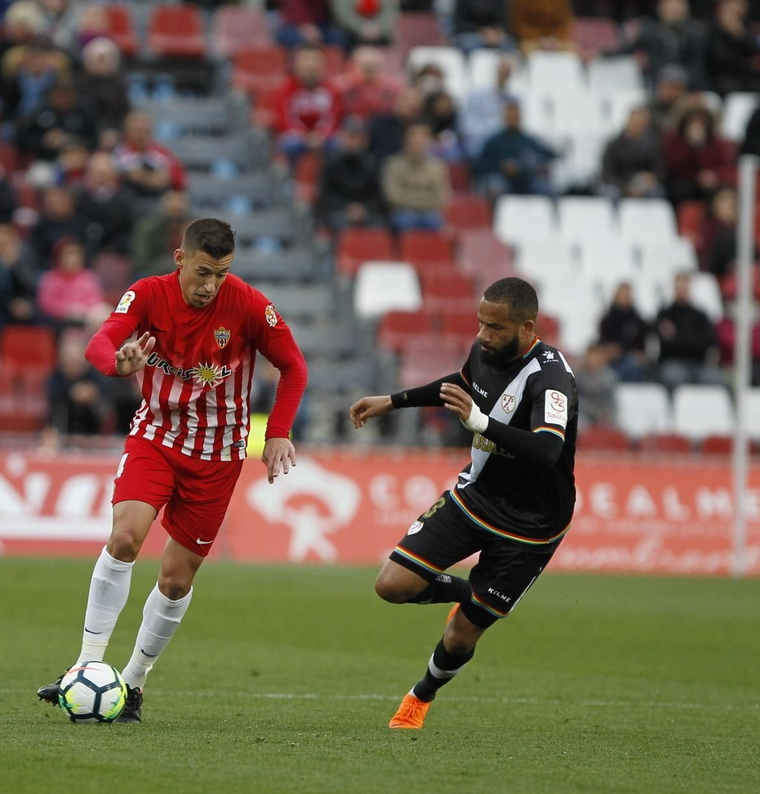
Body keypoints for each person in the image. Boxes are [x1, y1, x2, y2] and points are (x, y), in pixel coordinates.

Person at [34, 219, 308, 723]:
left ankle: (133, 684)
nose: (210, 285)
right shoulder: (147, 294)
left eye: (221, 274)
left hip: (219, 456)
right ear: (180, 259)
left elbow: (294, 366)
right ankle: (86, 667)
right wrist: (117, 362)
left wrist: (278, 433)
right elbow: (103, 340)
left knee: (177, 580)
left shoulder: (248, 304)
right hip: (156, 437)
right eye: (202, 272)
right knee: (125, 540)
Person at [347, 277, 576, 729]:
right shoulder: (484, 350)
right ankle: (470, 594)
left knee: (461, 633)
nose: (483, 336)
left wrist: (480, 422)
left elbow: (548, 449)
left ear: (527, 328)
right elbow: (463, 384)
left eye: (495, 328)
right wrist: (393, 401)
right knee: (391, 585)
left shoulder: (550, 379)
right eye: (480, 323)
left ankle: (420, 696)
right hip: (476, 497)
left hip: (532, 525)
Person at [654, 273, 724, 387]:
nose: (682, 290)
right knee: (675, 377)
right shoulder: (665, 314)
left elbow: (709, 341)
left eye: (685, 287)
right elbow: (666, 344)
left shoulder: (700, 315)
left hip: (698, 364)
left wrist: (677, 337)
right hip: (673, 362)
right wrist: (691, 339)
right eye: (679, 287)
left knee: (716, 380)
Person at [474, 100, 556, 196]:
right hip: (502, 180)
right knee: (495, 186)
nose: (513, 119)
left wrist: (523, 167)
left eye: (516, 117)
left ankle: (553, 211)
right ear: (505, 117)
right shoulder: (494, 141)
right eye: (510, 117)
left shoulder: (529, 141)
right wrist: (501, 167)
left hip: (526, 182)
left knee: (547, 188)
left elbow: (548, 155)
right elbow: (479, 165)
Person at [381, 122, 449, 230]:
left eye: (423, 136)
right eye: (414, 136)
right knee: (405, 220)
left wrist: (411, 197)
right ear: (405, 140)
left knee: (434, 221)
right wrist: (423, 198)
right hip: (403, 212)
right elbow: (392, 196)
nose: (418, 140)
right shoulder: (393, 164)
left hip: (429, 213)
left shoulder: (437, 166)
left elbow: (441, 198)